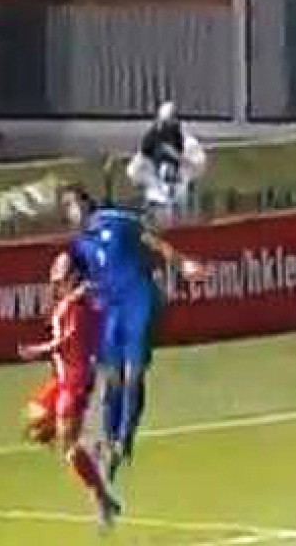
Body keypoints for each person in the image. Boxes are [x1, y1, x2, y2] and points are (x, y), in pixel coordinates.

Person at [60, 185, 203, 483]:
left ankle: (125, 438)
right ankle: (111, 439)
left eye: (72, 205)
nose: (71, 212)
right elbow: (71, 276)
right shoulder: (79, 245)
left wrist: (182, 263)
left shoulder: (115, 220)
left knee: (133, 372)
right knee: (111, 376)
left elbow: (152, 242)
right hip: (110, 308)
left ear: (85, 204)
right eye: (67, 208)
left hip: (138, 298)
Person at [19, 252, 121, 531]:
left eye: (59, 277)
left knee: (70, 446)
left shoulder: (78, 306)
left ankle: (102, 498)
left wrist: (37, 350)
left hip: (75, 381)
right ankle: (96, 472)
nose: (54, 283)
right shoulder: (73, 302)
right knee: (35, 418)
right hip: (62, 379)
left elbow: (69, 340)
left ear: (72, 277)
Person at [126, 101, 207, 223]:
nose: (164, 127)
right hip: (156, 201)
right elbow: (134, 170)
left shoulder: (189, 143)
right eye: (162, 122)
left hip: (180, 201)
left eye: (169, 121)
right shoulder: (152, 142)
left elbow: (199, 167)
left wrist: (179, 158)